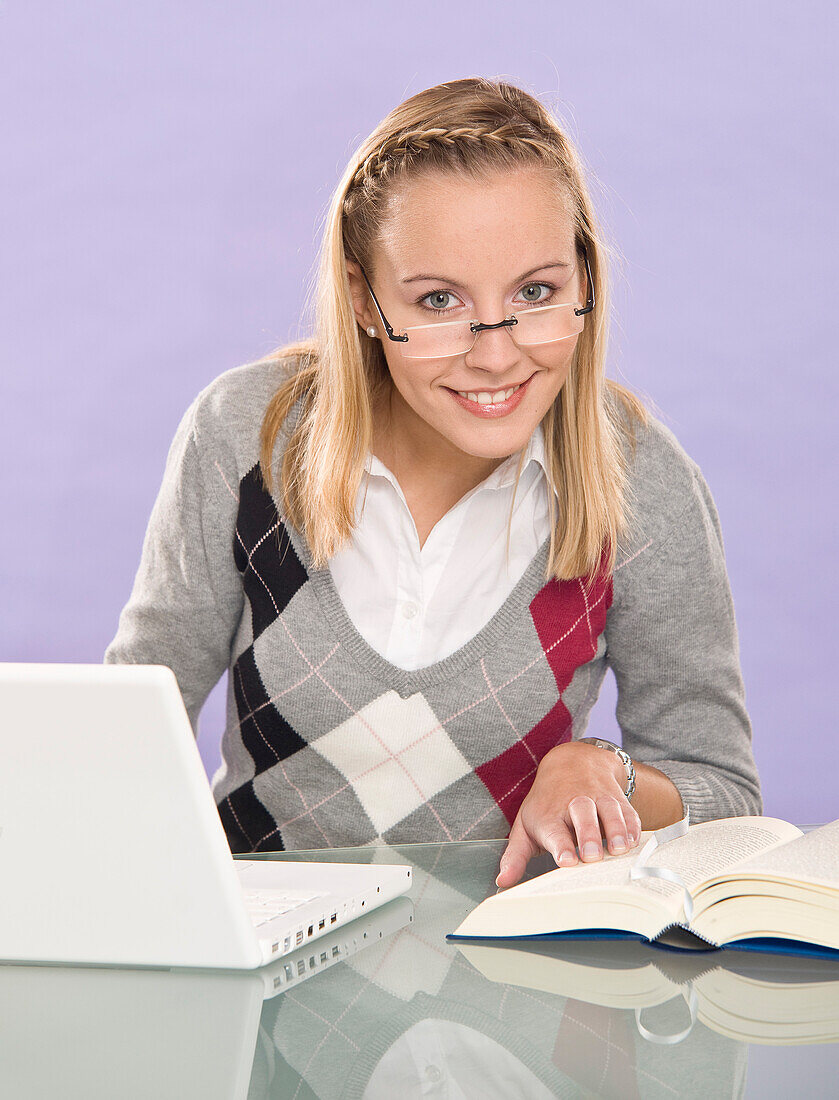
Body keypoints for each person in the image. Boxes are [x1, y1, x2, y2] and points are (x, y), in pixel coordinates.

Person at [105, 76, 761, 887]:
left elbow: (724, 792)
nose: (494, 355)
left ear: (584, 280)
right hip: (260, 965)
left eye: (535, 292)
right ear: (363, 299)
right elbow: (129, 724)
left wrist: (603, 770)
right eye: (439, 299)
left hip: (512, 981)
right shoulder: (249, 438)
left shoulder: (639, 483)